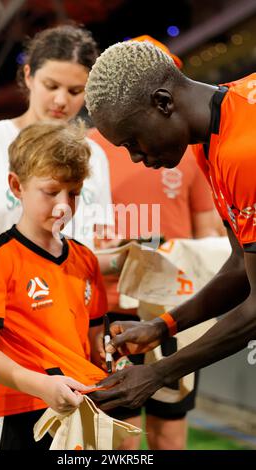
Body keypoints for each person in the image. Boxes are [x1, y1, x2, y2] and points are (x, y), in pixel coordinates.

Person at [0, 24, 114, 450]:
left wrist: (112, 261)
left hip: (67, 337)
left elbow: (96, 241)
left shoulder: (95, 154)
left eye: (76, 90)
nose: (62, 100)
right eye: (52, 85)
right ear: (27, 76)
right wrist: (20, 270)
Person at [84, 39, 256, 411]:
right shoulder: (214, 131)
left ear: (163, 102)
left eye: (132, 141)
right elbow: (242, 264)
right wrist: (162, 326)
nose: (135, 157)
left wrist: (159, 373)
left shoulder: (243, 150)